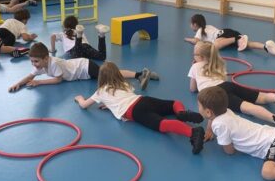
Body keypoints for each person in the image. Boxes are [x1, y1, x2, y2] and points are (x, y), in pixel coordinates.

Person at [74, 61, 205, 154]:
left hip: (134, 111)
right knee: (173, 104)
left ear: (101, 78)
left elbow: (84, 105)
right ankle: (181, 112)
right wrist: (109, 105)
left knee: (162, 124)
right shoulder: (124, 84)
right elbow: (121, 98)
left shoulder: (101, 91)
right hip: (142, 100)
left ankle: (193, 132)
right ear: (117, 73)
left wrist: (80, 98)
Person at [189, 41, 275, 133]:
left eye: (194, 54)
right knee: (261, 97)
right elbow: (223, 80)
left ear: (201, 57)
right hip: (228, 86)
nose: (193, 56)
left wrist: (194, 68)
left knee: (248, 108)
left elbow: (193, 89)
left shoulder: (195, 66)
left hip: (215, 93)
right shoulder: (217, 64)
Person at [8, 42, 157, 92]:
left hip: (84, 67)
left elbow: (58, 80)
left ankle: (138, 78)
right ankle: (140, 74)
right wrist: (18, 84)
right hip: (83, 69)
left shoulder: (53, 63)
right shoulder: (40, 66)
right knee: (111, 73)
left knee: (110, 76)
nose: (34, 64)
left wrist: (39, 82)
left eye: (36, 61)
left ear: (46, 58)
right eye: (32, 62)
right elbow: (30, 76)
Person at [184, 13, 275, 57]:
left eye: (191, 24)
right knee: (247, 44)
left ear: (195, 24)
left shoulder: (200, 30)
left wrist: (187, 39)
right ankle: (266, 47)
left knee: (214, 46)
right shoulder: (208, 26)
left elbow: (196, 41)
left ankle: (237, 38)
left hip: (225, 35)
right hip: (228, 35)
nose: (190, 26)